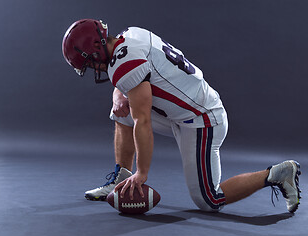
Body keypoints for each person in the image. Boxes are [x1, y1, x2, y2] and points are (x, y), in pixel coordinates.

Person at [62, 19, 301, 213]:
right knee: (122, 112)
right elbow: (127, 75)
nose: (94, 68)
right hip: (182, 113)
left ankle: (278, 174)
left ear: (95, 48)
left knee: (210, 200)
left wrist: (142, 173)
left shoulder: (125, 66)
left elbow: (142, 120)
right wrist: (118, 96)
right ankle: (121, 177)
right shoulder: (132, 33)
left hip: (202, 120)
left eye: (90, 63)